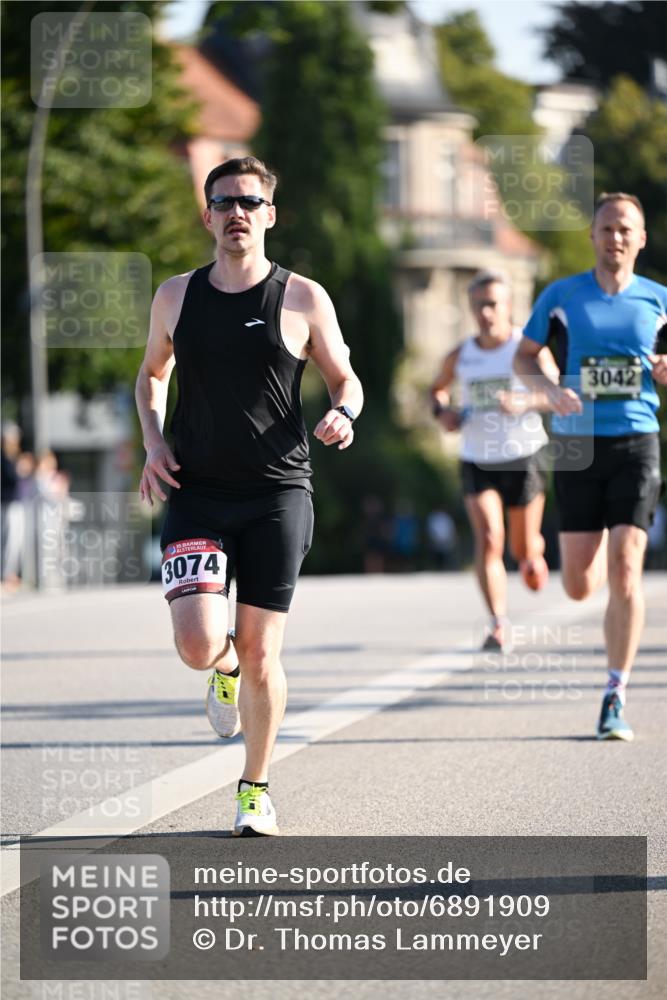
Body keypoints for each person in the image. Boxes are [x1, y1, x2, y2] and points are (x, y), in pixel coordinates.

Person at [135, 156, 363, 834]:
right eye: (223, 201)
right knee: (198, 644)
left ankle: (254, 787)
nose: (236, 211)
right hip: (197, 491)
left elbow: (345, 378)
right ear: (206, 215)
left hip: (276, 494)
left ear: (269, 214)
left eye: (248, 201)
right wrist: (152, 440)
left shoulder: (301, 297)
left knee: (267, 651)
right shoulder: (177, 297)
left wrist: (343, 414)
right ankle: (222, 666)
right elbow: (151, 375)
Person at [515, 192, 667, 741]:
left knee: (629, 565)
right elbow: (524, 357)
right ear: (594, 235)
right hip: (577, 446)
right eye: (607, 228)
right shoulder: (562, 295)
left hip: (636, 441)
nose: (616, 237)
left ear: (641, 238)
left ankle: (615, 693)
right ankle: (596, 567)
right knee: (580, 585)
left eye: (626, 229)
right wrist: (551, 390)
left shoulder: (659, 299)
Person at [430, 271, 557, 651]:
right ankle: (498, 623)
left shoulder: (526, 349)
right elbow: (436, 389)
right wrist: (443, 413)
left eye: (493, 304)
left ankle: (533, 554)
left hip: (524, 456)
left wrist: (526, 401)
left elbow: (556, 393)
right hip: (476, 457)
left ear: (507, 306)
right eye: (479, 305)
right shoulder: (461, 354)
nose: (486, 313)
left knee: (523, 550)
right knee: (488, 538)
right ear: (471, 308)